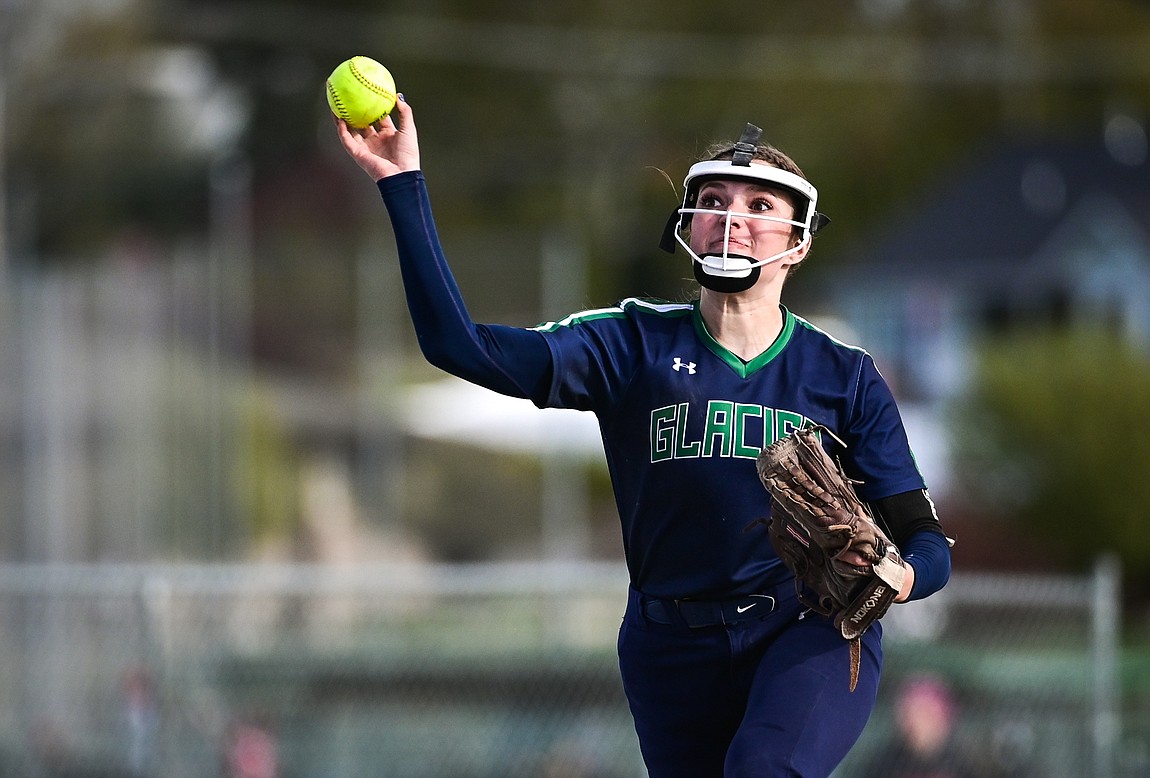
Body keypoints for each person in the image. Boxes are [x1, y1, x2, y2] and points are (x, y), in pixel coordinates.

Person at [335, 99, 952, 778]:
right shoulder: (632, 345)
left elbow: (927, 543)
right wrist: (402, 181)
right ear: (688, 224)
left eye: (761, 205)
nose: (734, 216)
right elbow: (460, 346)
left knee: (762, 770)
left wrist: (897, 579)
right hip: (668, 644)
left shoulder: (844, 376)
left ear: (799, 241)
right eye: (715, 199)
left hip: (805, 629)